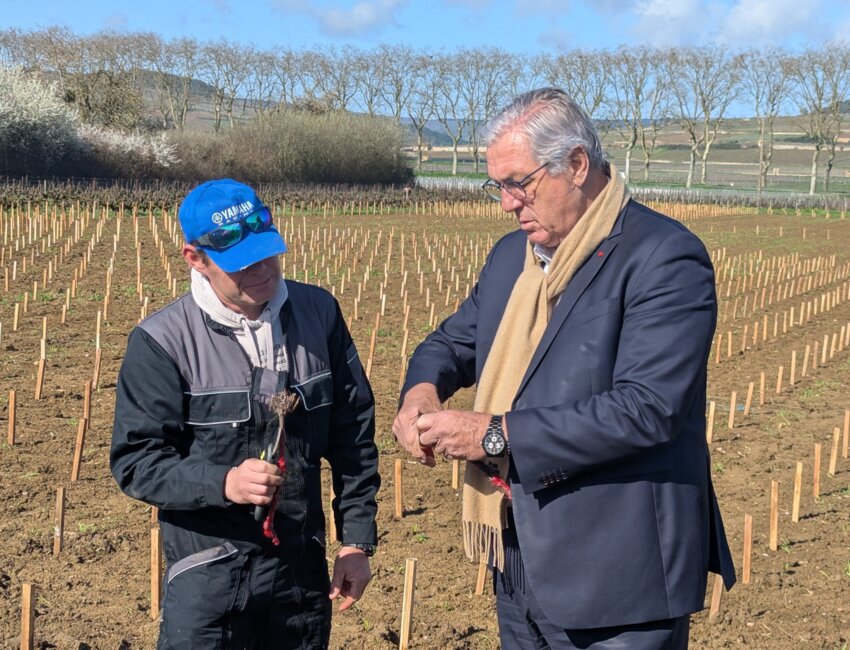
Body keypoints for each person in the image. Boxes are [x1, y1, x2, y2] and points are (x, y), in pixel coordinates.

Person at [393, 88, 736, 649]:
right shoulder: (514, 257)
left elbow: (646, 409)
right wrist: (420, 394)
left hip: (618, 575)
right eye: (497, 186)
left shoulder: (663, 257)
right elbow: (451, 342)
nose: (506, 203)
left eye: (517, 184)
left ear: (576, 164)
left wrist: (496, 434)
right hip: (520, 556)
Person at [111, 178, 380, 649]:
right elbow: (136, 462)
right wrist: (223, 483)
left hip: (300, 573)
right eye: (241, 262)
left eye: (267, 253)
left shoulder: (320, 313)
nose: (260, 269)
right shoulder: (162, 342)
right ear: (195, 258)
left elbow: (352, 433)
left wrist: (356, 540)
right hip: (207, 575)